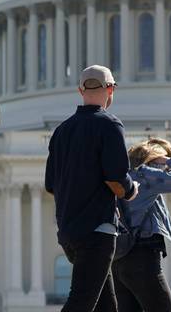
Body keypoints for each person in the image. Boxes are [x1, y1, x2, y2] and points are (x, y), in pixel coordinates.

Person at [46, 65, 138, 312]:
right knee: (81, 302)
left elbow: (51, 185)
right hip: (97, 231)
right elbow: (116, 180)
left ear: (80, 90)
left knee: (106, 307)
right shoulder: (109, 125)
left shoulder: (61, 131)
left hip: (69, 232)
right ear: (110, 90)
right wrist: (131, 190)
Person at [112, 138, 171, 312]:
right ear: (155, 159)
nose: (166, 171)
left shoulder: (123, 177)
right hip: (142, 259)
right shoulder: (147, 175)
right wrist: (169, 160)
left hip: (118, 262)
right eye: (165, 167)